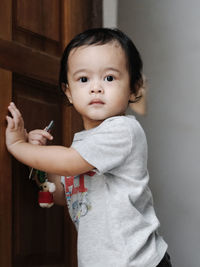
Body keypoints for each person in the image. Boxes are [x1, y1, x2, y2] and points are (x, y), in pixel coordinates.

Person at [5, 28, 172, 267]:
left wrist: (20, 146)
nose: (96, 88)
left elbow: (70, 162)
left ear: (134, 88)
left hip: (137, 262)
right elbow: (62, 195)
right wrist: (38, 162)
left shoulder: (123, 131)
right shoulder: (83, 143)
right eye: (84, 79)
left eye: (109, 78)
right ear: (69, 92)